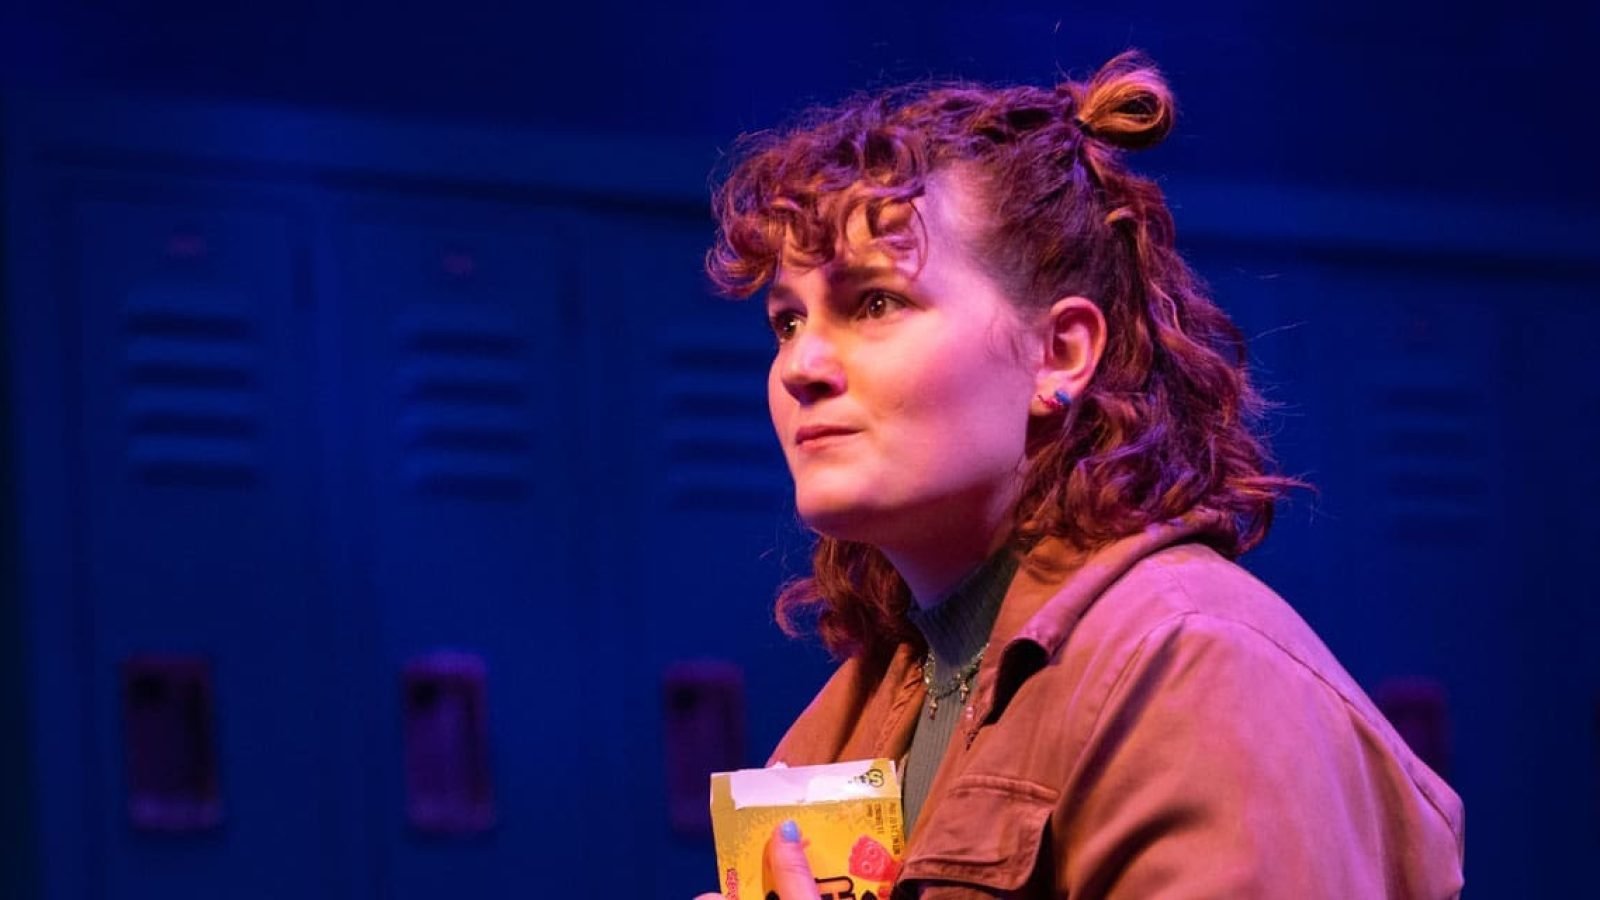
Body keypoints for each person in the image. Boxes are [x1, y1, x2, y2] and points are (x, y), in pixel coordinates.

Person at [696, 52, 1465, 899]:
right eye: (786, 321)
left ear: (1059, 353)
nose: (801, 363)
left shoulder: (1197, 671)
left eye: (874, 303)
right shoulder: (865, 710)